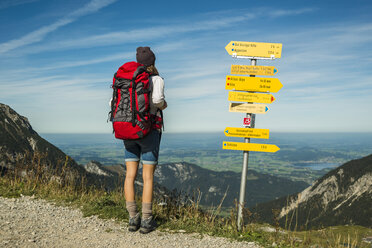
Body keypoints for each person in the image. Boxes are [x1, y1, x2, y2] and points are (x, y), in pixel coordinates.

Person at [124, 47, 167, 234]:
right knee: (147, 176)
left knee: (129, 175)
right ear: (153, 62)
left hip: (128, 130)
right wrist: (164, 105)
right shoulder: (156, 79)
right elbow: (157, 100)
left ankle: (133, 218)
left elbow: (112, 103)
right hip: (148, 130)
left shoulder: (126, 79)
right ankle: (147, 219)